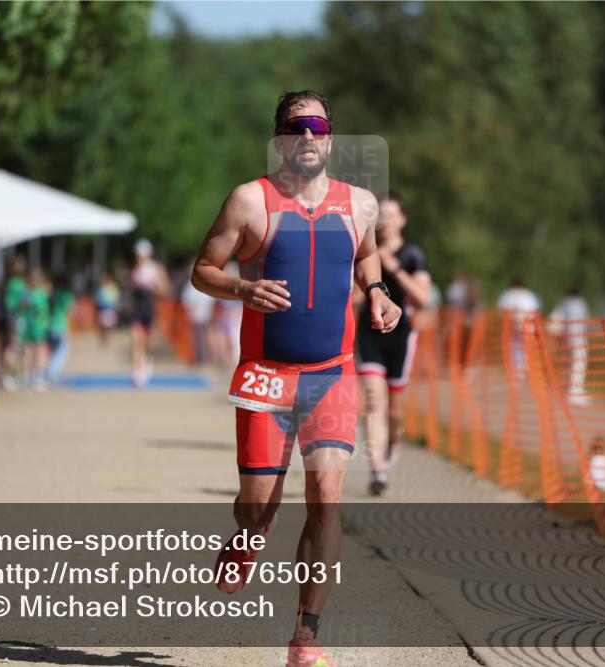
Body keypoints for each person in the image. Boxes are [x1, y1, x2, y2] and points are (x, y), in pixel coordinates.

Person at [190, 90, 400, 667]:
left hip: (332, 373)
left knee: (327, 497)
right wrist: (242, 287)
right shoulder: (249, 201)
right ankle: (250, 536)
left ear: (330, 138)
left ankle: (306, 638)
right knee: (257, 507)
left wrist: (377, 291)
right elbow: (203, 270)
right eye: (295, 126)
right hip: (266, 375)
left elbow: (366, 256)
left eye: (318, 126)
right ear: (280, 139)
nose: (308, 135)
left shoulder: (360, 204)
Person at [355, 192, 431, 496]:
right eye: (380, 216)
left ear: (402, 219)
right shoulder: (365, 252)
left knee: (393, 410)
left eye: (390, 215)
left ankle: (391, 447)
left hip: (401, 336)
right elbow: (353, 297)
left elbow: (423, 297)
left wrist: (394, 268)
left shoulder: (413, 255)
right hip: (369, 332)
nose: (384, 221)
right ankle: (378, 471)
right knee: (374, 399)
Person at [127, 239, 169, 386]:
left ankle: (145, 364)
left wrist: (152, 286)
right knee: (135, 339)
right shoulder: (135, 271)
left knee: (146, 342)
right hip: (138, 310)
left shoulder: (156, 269)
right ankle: (137, 372)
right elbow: (131, 291)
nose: (139, 258)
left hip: (151, 310)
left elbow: (165, 289)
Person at [548, 286, 590, 406]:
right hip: (579, 339)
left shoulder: (564, 303)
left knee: (568, 365)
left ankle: (568, 390)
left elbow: (556, 319)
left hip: (567, 338)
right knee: (578, 365)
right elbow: (585, 320)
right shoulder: (581, 303)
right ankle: (574, 392)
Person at [497, 278, 540, 381]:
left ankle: (520, 369)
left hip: (518, 325)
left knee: (517, 347)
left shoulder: (508, 295)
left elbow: (501, 312)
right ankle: (521, 369)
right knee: (520, 346)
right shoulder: (528, 295)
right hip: (520, 325)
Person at [0, 256, 28, 390]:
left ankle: (9, 375)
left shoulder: (9, 283)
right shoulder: (18, 283)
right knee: (13, 347)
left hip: (10, 317)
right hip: (15, 317)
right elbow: (24, 302)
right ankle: (9, 376)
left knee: (11, 347)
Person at [21, 268, 51, 391]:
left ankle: (27, 376)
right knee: (40, 350)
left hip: (28, 324)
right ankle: (39, 377)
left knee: (28, 350)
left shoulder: (27, 293)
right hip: (39, 326)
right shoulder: (41, 294)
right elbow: (43, 310)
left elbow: (22, 307)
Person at [46, 273, 74, 384]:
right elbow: (69, 311)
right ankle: (52, 374)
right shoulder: (66, 295)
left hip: (49, 325)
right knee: (62, 350)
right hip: (60, 325)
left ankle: (50, 373)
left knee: (53, 351)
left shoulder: (52, 294)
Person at [93, 272, 120, 346]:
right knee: (102, 325)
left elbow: (115, 298)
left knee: (108, 326)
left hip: (109, 309)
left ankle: (107, 338)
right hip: (102, 309)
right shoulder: (100, 289)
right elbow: (97, 299)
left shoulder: (112, 288)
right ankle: (103, 339)